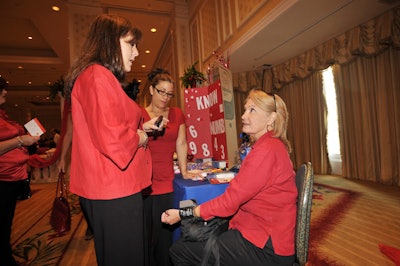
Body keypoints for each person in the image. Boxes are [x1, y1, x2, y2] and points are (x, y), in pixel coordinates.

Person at [63, 14, 161, 266]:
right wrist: (140, 136)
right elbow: (113, 141)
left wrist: (142, 127)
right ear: (109, 42)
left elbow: (109, 127)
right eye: (131, 44)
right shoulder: (97, 76)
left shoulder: (99, 77)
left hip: (114, 187)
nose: (137, 52)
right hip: (113, 188)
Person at [161, 89, 297, 266]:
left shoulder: (266, 151)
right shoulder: (270, 146)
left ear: (271, 119)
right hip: (257, 231)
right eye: (245, 110)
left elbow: (229, 203)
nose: (243, 116)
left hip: (265, 246)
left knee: (179, 251)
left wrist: (182, 213)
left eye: (252, 110)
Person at [141, 67, 200, 266]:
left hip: (168, 183)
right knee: (149, 238)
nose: (165, 97)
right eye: (161, 92)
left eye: (170, 94)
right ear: (151, 90)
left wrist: (184, 172)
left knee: (168, 239)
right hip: (145, 184)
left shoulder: (176, 114)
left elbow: (181, 144)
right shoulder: (140, 114)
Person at [0, 76, 40, 266]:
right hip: (2, 178)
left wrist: (28, 140)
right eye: (2, 89)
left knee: (6, 225)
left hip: (13, 177)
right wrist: (20, 141)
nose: (5, 92)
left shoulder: (3, 116)